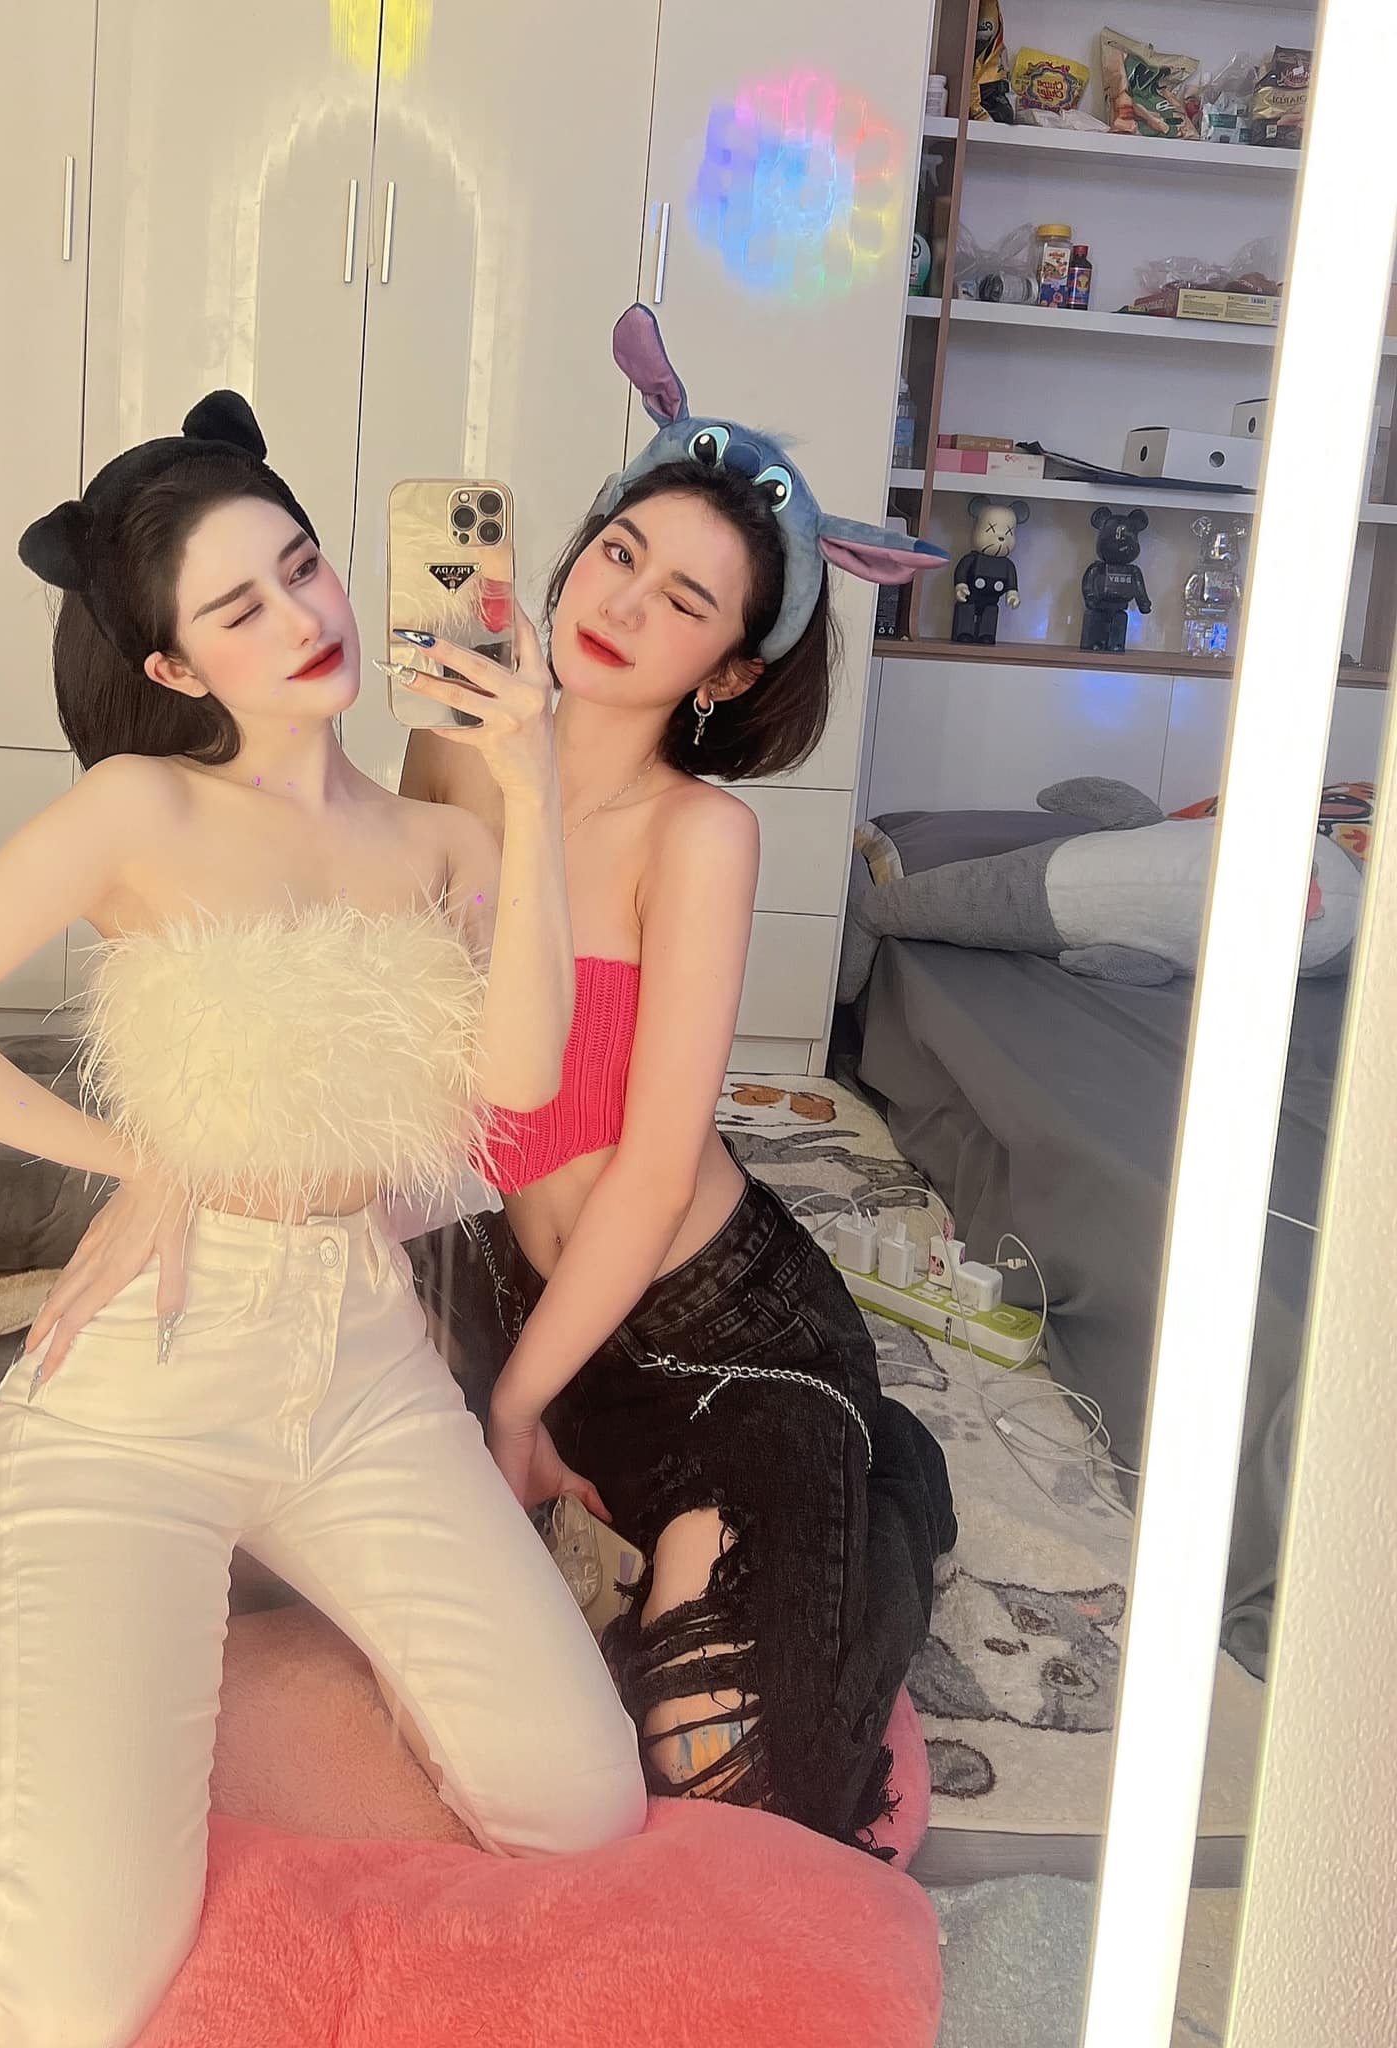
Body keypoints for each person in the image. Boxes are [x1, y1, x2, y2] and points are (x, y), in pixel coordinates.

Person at [0, 392, 644, 2048]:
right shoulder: (142, 809)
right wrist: (144, 1160)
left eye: (304, 566)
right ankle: (102, 1709)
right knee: (63, 2007)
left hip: (365, 1369)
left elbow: (522, 1077)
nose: (302, 617)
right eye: (238, 608)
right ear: (175, 665)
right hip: (145, 1387)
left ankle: (162, 1710)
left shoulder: (440, 838)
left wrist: (531, 788)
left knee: (581, 1805)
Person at [397, 307, 958, 1853]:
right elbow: (382, 1005)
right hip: (512, 1289)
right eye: (620, 553)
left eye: (688, 599)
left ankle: (882, 1484)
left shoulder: (701, 837)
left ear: (730, 666)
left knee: (715, 1764)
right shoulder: (448, 755)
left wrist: (517, 1406)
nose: (628, 603)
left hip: (724, 1335)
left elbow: (650, 1171)